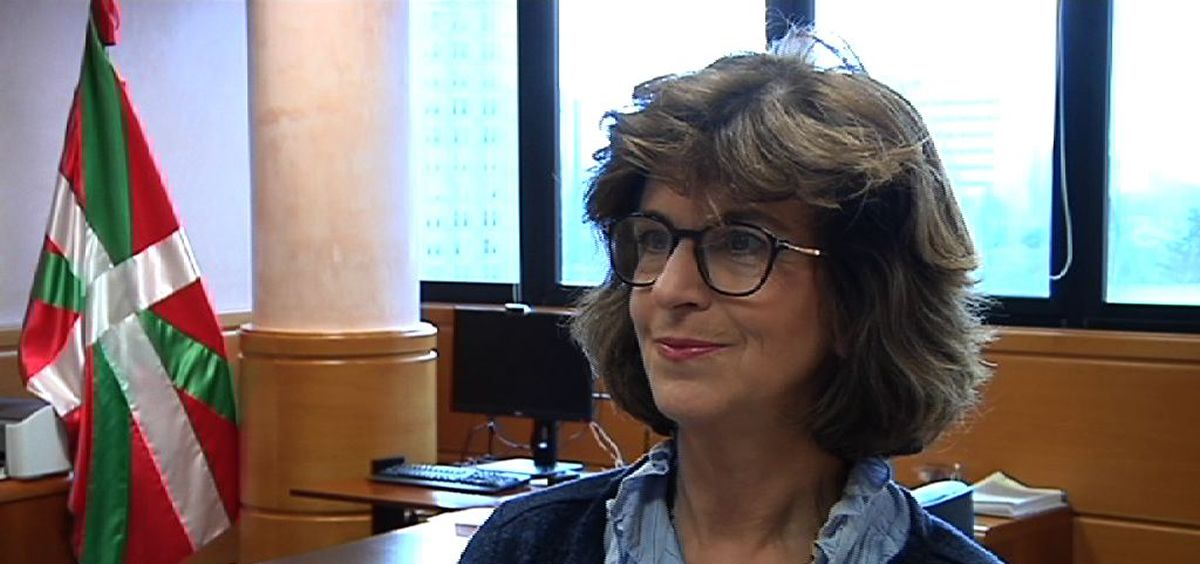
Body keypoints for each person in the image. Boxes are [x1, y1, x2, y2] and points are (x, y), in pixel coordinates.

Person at [460, 29, 999, 564]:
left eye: (740, 244)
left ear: (863, 296)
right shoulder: (524, 546)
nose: (670, 289)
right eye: (653, 240)